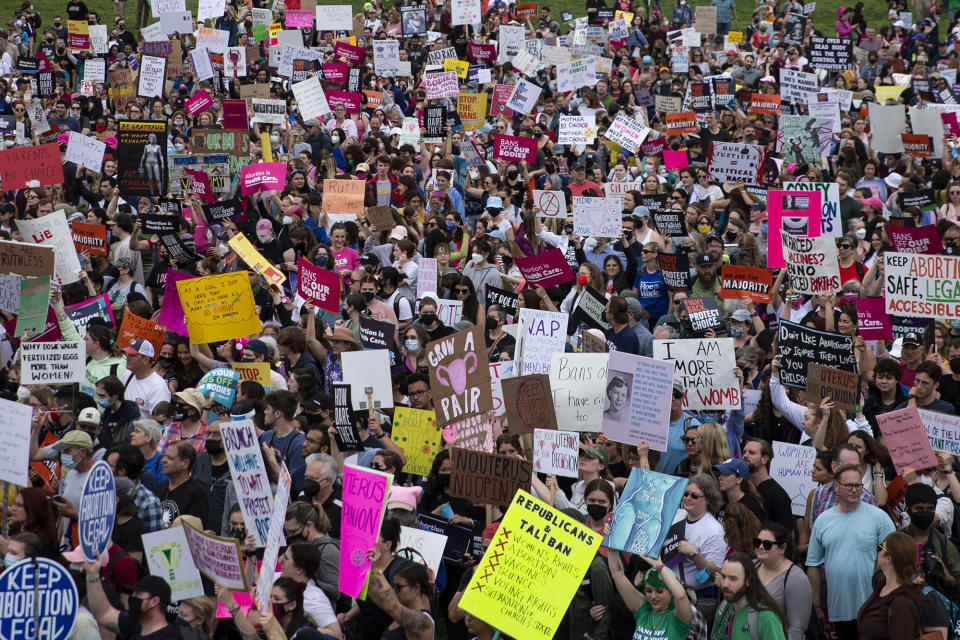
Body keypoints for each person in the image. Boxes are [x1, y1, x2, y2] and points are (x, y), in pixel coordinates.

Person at [807, 464, 896, 640]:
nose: (855, 490)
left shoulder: (879, 517)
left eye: (858, 485)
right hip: (840, 609)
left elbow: (897, 558)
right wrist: (816, 604)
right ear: (836, 487)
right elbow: (813, 565)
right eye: (849, 486)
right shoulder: (823, 521)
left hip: (874, 607)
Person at [607, 551, 695, 640]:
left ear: (671, 592)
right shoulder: (643, 610)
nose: (653, 596)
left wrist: (659, 566)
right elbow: (618, 576)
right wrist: (612, 547)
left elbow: (681, 596)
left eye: (659, 591)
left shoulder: (678, 619)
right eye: (648, 591)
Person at [856, 531, 926, 640]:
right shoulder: (881, 587)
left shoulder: (902, 603)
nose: (877, 552)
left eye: (880, 548)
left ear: (889, 558)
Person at [754, 523, 813, 640]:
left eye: (767, 544)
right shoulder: (752, 566)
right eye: (757, 542)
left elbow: (796, 629)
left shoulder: (795, 578)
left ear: (782, 548)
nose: (760, 547)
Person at [713, 553, 787, 640]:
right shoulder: (723, 608)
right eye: (723, 577)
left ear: (748, 581)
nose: (725, 584)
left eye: (733, 579)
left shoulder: (766, 619)